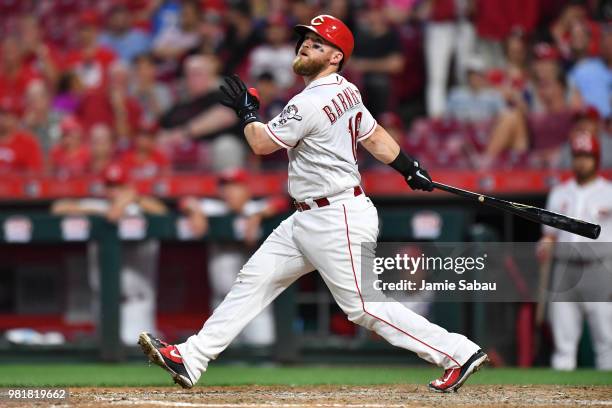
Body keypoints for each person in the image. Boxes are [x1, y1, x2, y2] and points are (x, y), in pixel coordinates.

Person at [139, 15, 487, 393]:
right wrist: (408, 166)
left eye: (318, 43)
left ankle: (457, 351)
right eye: (306, 39)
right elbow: (374, 137)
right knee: (253, 280)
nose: (306, 45)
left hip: (336, 218)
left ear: (336, 57)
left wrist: (247, 113)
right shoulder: (348, 92)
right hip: (309, 217)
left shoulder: (310, 102)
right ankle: (192, 357)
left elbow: (259, 144)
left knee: (365, 307)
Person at [51, 163, 167, 345]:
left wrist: (129, 201)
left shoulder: (141, 208)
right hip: (103, 304)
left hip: (136, 304)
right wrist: (99, 212)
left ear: (130, 187)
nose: (114, 192)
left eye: (119, 186)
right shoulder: (97, 206)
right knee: (103, 360)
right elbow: (58, 208)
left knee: (136, 357)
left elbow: (163, 212)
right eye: (110, 186)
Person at [179, 168, 289, 347]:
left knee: (263, 348)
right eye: (225, 186)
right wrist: (194, 211)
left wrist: (260, 215)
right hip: (221, 303)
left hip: (255, 302)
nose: (230, 191)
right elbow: (185, 201)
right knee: (223, 356)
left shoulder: (255, 208)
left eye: (235, 186)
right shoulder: (213, 209)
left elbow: (282, 202)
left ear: (246, 189)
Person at [538, 130, 612, 370]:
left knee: (607, 343)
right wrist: (545, 246)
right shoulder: (559, 192)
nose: (582, 161)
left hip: (599, 267)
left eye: (587, 156)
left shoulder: (608, 191)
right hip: (564, 268)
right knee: (563, 345)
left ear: (596, 158)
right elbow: (549, 235)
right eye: (578, 155)